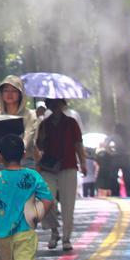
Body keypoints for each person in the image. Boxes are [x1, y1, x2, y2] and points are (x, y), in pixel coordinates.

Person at [0, 134, 54, 260]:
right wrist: (36, 215)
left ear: (0, 156)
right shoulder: (32, 176)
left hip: (3, 235)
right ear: (24, 154)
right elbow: (48, 200)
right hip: (26, 233)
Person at [36, 98, 85, 251]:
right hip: (48, 167)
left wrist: (82, 162)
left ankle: (66, 237)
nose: (56, 106)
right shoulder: (44, 123)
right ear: (49, 105)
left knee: (68, 204)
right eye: (53, 103)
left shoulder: (71, 122)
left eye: (59, 103)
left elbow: (78, 143)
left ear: (64, 105)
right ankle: (54, 231)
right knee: (46, 201)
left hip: (68, 166)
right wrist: (41, 128)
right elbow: (39, 145)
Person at [0, 76, 39, 165]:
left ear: (20, 94)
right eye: (6, 90)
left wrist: (17, 152)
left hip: (24, 162)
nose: (9, 94)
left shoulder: (30, 115)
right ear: (1, 93)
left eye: (14, 90)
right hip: (1, 163)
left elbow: (27, 138)